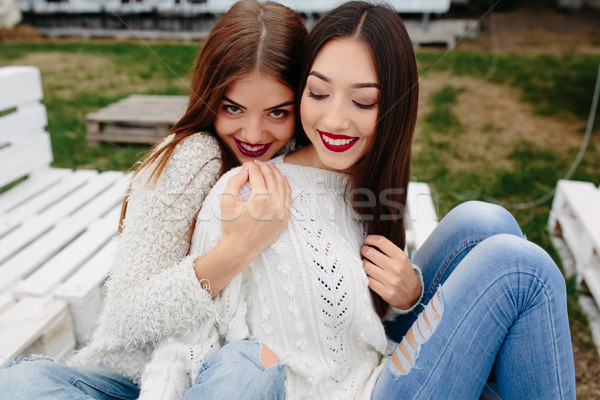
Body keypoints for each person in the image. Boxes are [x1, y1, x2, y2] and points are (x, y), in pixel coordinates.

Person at [142, 1, 577, 399]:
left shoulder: (362, 187)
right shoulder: (247, 193)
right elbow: (183, 344)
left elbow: (347, 319)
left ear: (393, 106)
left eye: (363, 100)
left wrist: (411, 299)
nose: (334, 118)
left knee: (484, 222)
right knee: (523, 269)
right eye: (317, 93)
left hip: (374, 371)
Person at [0, 1, 309, 398]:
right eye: (233, 107)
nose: (253, 133)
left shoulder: (303, 167)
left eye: (277, 113)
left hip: (236, 379)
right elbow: (128, 313)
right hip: (133, 377)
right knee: (20, 385)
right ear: (209, 95)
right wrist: (235, 250)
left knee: (247, 371)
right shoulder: (196, 157)